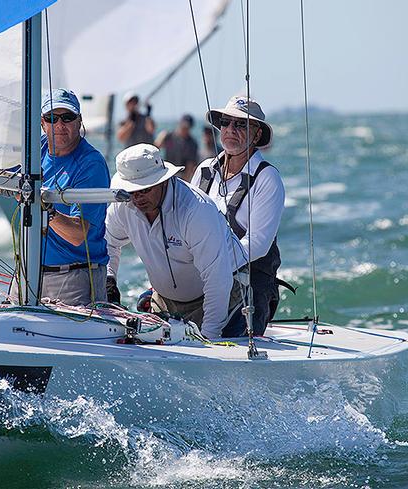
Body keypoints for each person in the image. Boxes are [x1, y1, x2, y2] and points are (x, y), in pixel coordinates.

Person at [0, 88, 110, 306]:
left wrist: (43, 207)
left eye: (67, 117)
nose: (59, 125)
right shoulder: (35, 148)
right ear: (42, 122)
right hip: (28, 272)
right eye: (51, 118)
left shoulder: (91, 164)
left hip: (74, 277)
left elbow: (78, 234)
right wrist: (10, 183)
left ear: (79, 121)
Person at [105, 144, 244, 339]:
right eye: (131, 191)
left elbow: (218, 282)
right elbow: (109, 244)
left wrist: (209, 337)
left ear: (163, 181)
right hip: (165, 300)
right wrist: (109, 279)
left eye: (144, 189)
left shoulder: (196, 210)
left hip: (226, 296)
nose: (138, 198)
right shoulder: (122, 205)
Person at [191, 95, 285, 336]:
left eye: (241, 124)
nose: (230, 130)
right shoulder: (204, 171)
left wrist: (214, 269)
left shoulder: (267, 178)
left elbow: (258, 244)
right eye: (225, 122)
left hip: (249, 287)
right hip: (199, 280)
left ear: (256, 135)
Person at [154, 114, 199, 182]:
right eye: (183, 126)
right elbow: (155, 148)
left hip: (181, 175)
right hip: (167, 171)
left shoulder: (192, 143)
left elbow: (190, 165)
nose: (184, 129)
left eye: (187, 127)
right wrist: (162, 135)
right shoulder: (169, 136)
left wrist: (184, 182)